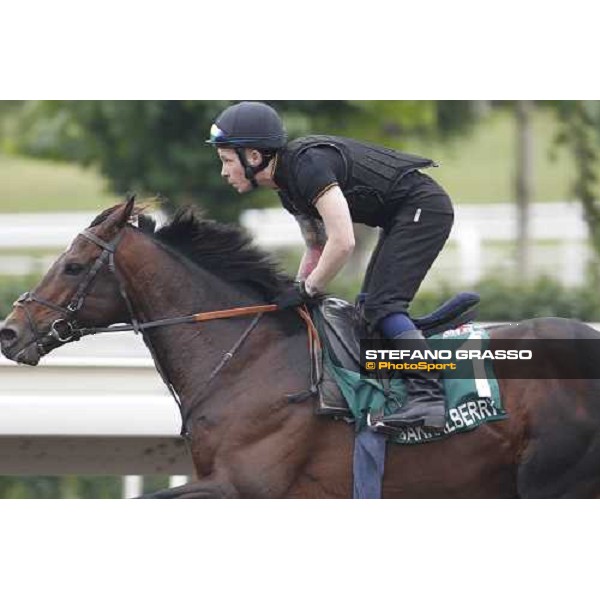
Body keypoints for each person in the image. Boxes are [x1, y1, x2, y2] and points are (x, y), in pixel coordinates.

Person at [206, 101, 454, 432]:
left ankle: (431, 397)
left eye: (225, 160)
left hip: (424, 208)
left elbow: (343, 242)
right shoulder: (286, 188)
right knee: (369, 310)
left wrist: (307, 290)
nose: (223, 171)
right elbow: (318, 246)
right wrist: (295, 291)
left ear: (253, 157)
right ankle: (398, 390)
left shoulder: (307, 168)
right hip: (401, 215)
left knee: (384, 306)